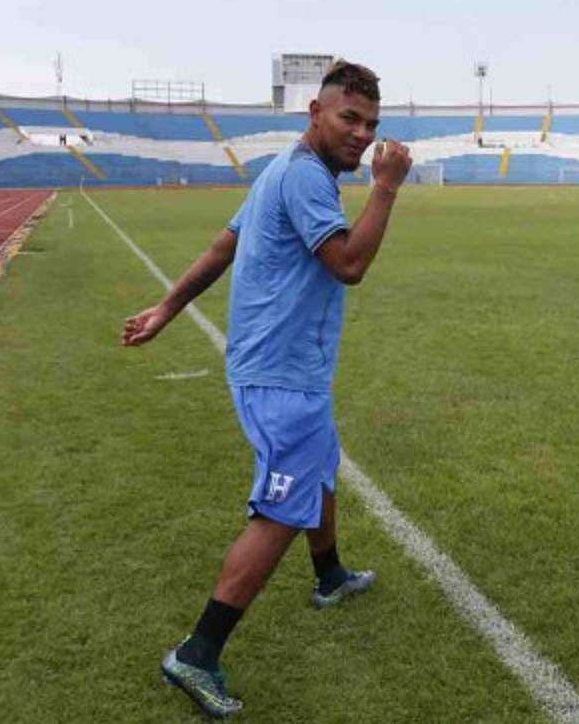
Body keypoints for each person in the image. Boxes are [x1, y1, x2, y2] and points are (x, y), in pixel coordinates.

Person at [121, 60, 412, 719]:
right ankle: (195, 654)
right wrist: (387, 189)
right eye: (348, 118)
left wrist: (167, 308)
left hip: (276, 367)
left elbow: (224, 247)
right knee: (280, 509)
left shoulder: (280, 169)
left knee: (321, 468)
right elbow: (349, 264)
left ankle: (330, 577)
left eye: (371, 124)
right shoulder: (306, 178)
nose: (362, 134)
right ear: (315, 111)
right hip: (280, 375)